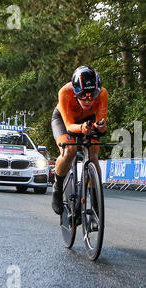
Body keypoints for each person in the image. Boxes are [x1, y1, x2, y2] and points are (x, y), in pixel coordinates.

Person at [51, 66, 108, 215]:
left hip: (88, 121)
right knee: (69, 150)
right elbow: (69, 125)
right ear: (75, 91)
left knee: (93, 156)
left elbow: (102, 123)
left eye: (92, 94)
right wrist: (82, 128)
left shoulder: (102, 94)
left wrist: (100, 127)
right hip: (64, 121)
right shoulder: (64, 92)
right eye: (83, 95)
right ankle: (57, 187)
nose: (88, 100)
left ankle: (96, 202)